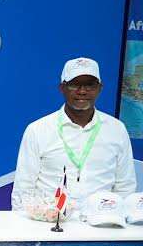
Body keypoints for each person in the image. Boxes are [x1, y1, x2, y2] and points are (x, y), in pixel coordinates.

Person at [12, 57, 134, 218]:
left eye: (90, 85)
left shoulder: (116, 129)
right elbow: (24, 189)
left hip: (102, 225)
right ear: (62, 88)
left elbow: (125, 186)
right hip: (50, 226)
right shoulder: (38, 130)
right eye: (74, 84)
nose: (82, 91)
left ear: (100, 88)